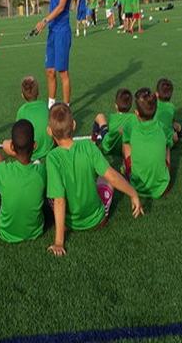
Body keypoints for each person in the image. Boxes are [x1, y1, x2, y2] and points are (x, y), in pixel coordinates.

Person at [46, 104, 144, 256]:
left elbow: (59, 200)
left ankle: (65, 224)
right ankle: (101, 198)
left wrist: (59, 242)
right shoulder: (89, 147)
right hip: (97, 220)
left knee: (50, 193)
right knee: (107, 179)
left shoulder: (52, 158)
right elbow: (111, 175)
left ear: (49, 131)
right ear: (73, 125)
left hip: (69, 223)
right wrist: (133, 193)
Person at [0, 120, 47, 243]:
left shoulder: (2, 170)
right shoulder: (41, 171)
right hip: (35, 231)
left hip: (6, 233)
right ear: (34, 145)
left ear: (11, 147)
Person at [122, 88, 171, 199]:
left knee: (125, 143)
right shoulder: (163, 127)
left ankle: (126, 167)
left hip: (137, 187)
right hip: (163, 187)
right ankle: (162, 174)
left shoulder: (131, 127)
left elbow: (125, 140)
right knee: (167, 145)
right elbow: (171, 140)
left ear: (136, 113)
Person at [4, 76, 53, 161]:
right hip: (48, 149)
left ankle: (29, 159)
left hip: (30, 153)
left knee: (5, 144)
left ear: (22, 95)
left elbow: (19, 134)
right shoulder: (45, 106)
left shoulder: (21, 111)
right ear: (38, 92)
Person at [92, 88, 137, 157]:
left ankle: (93, 141)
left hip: (107, 147)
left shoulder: (112, 117)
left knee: (100, 116)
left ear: (116, 105)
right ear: (130, 105)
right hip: (124, 150)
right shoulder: (133, 118)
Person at [154, 78, 181, 146]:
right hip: (166, 141)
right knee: (175, 134)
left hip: (152, 137)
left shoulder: (152, 105)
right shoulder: (171, 107)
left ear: (156, 94)